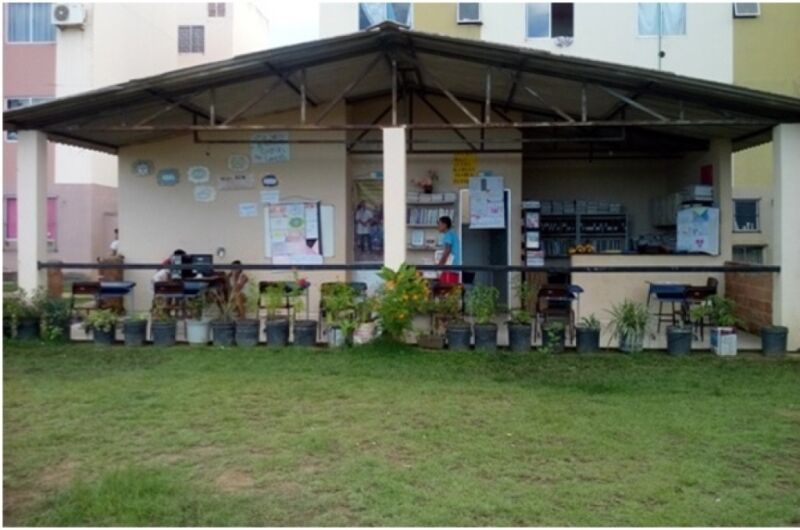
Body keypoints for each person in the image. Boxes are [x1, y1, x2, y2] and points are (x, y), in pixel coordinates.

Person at [437, 216, 461, 284]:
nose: (438, 226)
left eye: (439, 224)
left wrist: (440, 264)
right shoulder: (452, 233)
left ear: (445, 225)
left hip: (450, 267)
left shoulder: (448, 235)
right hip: (455, 267)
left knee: (446, 289)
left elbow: (447, 250)